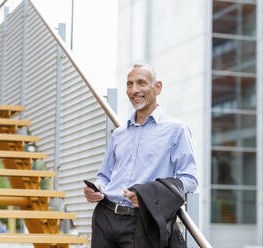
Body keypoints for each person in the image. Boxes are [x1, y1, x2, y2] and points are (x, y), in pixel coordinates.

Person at [84, 64, 198, 248]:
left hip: (143, 222)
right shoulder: (119, 133)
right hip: (105, 217)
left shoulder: (176, 130)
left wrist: (150, 195)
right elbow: (104, 176)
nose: (134, 90)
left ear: (157, 87)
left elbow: (189, 179)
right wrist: (96, 188)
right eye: (129, 84)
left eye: (141, 83)